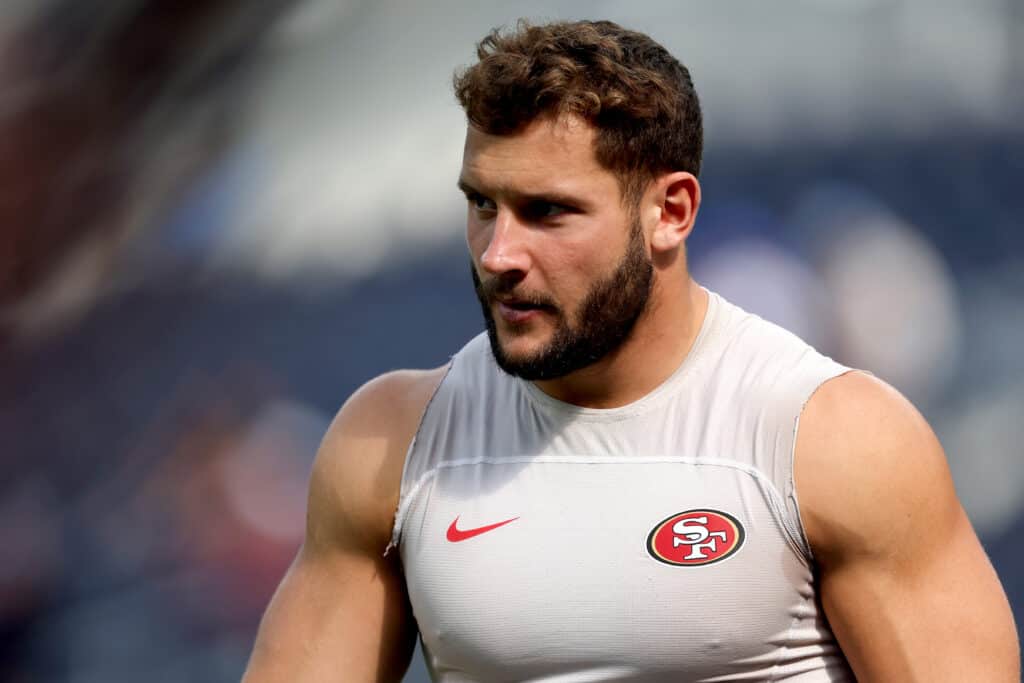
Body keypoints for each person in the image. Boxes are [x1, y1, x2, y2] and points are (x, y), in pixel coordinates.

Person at [242, 19, 1019, 682]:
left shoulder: (832, 437)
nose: (497, 251)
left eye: (547, 211)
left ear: (671, 212)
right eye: (482, 203)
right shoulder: (389, 445)